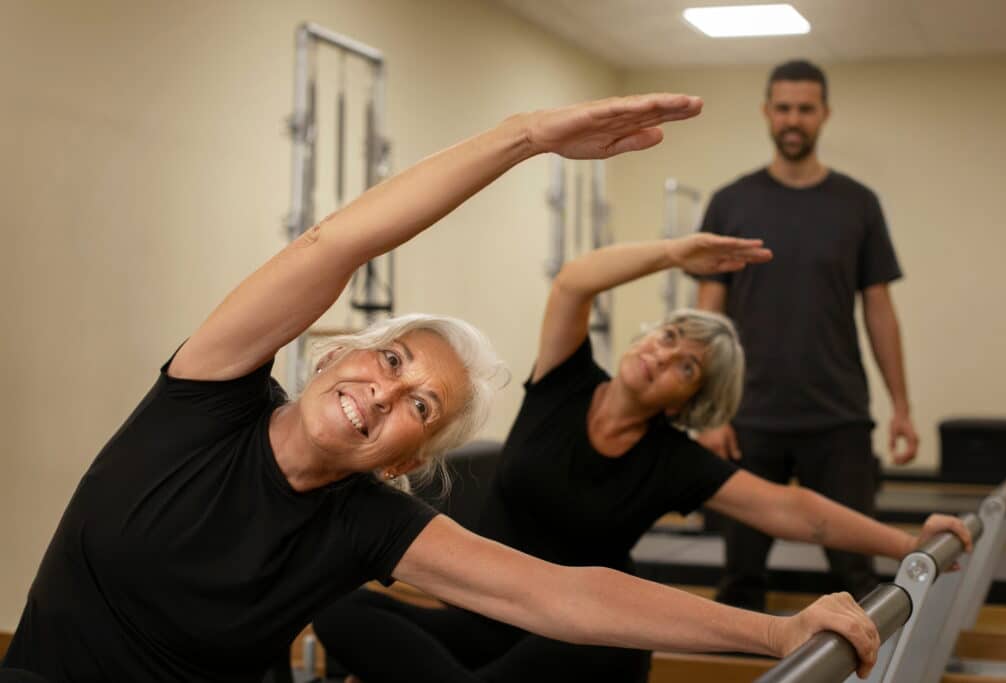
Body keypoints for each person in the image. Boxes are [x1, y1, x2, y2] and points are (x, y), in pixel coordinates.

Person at [1, 94, 886, 683]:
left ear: (404, 462)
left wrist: (774, 631)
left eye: (421, 407)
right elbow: (335, 244)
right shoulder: (209, 396)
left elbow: (565, 594)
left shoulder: (364, 520)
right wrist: (525, 137)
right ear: (334, 353)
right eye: (392, 361)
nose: (387, 395)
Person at [311, 233, 969, 683]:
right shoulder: (565, 381)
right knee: (341, 608)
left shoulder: (674, 460)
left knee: (590, 646)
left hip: (581, 638)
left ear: (691, 401)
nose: (663, 354)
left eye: (686, 366)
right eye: (670, 336)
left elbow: (795, 511)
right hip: (485, 619)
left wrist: (910, 543)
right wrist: (676, 252)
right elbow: (574, 283)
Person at [694, 60, 918, 612]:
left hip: (838, 416)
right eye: (784, 108)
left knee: (858, 577)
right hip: (748, 417)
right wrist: (709, 412)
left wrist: (902, 407)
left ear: (824, 115)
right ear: (767, 113)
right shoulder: (731, 202)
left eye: (805, 109)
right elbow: (708, 312)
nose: (793, 119)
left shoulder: (858, 203)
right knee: (740, 578)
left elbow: (880, 310)